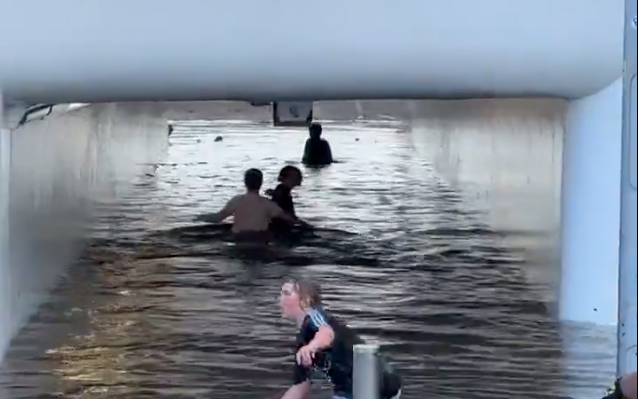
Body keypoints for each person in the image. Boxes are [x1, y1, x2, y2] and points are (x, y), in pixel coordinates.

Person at [278, 278, 402, 399]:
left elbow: (326, 333)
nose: (280, 298)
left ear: (305, 300)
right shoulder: (302, 340)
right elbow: (300, 387)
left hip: (376, 382)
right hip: (353, 387)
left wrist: (311, 347)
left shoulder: (315, 316)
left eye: (286, 293)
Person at [194, 168, 298, 242]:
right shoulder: (267, 203)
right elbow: (288, 219)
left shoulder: (237, 200)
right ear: (261, 183)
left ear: (245, 182)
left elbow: (217, 218)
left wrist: (199, 217)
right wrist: (306, 225)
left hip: (239, 238)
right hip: (260, 239)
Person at [266, 165, 311, 238]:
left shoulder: (282, 190)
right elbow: (280, 212)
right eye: (298, 176)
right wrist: (299, 222)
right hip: (281, 230)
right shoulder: (283, 191)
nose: (300, 178)